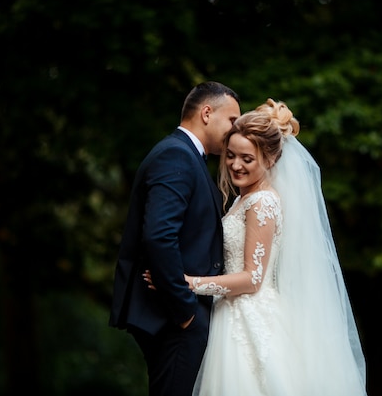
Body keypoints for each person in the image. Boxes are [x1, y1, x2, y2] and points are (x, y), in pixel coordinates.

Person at [146, 98, 367, 395]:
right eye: (231, 155)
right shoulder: (242, 199)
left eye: (247, 159)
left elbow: (252, 279)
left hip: (249, 316)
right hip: (230, 311)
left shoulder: (262, 202)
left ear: (269, 159)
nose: (236, 165)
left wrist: (188, 283)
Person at [109, 81, 241, 396]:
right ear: (207, 113)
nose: (235, 130)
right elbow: (158, 236)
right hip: (171, 318)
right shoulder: (176, 156)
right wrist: (185, 312)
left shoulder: (187, 157)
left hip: (175, 317)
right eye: (232, 120)